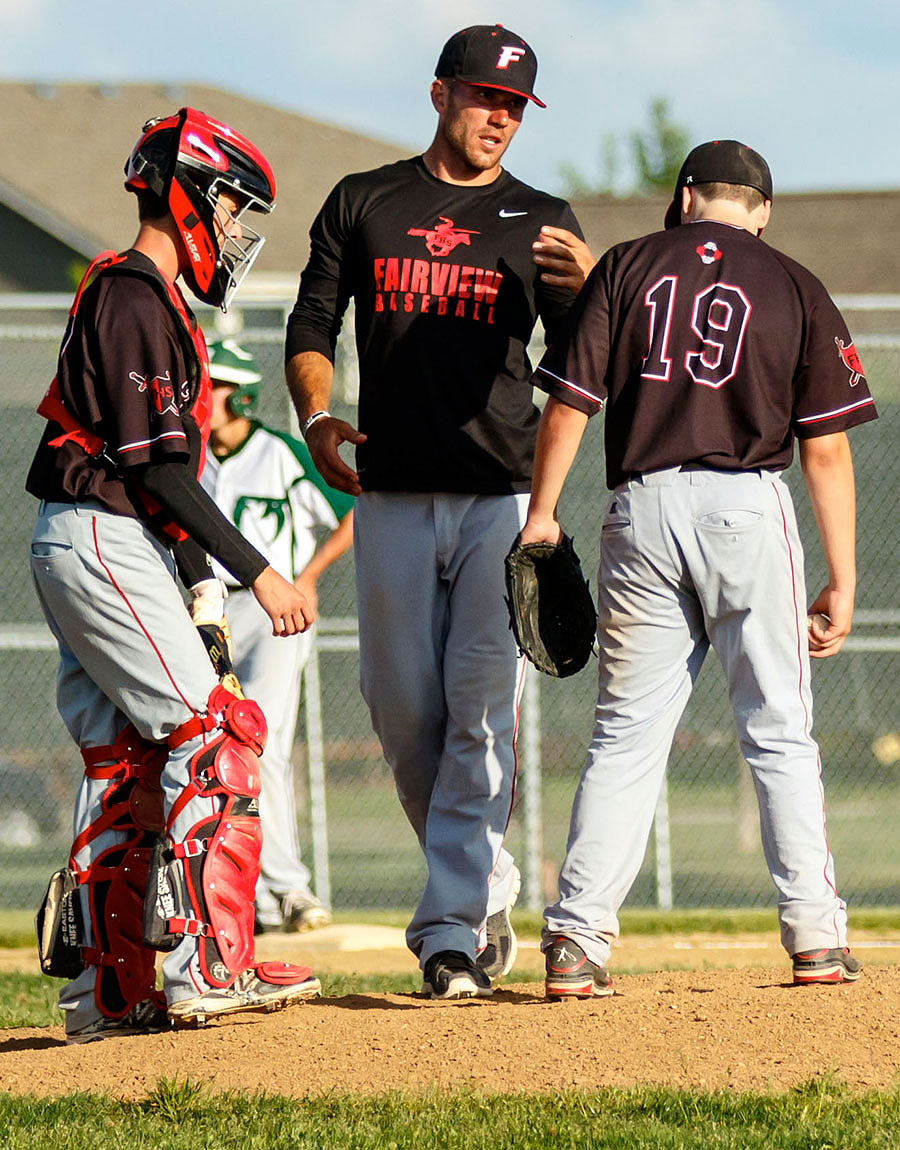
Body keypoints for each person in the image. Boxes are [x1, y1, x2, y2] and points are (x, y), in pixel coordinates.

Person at [518, 139, 878, 997]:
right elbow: (824, 451)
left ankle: (575, 943)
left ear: (684, 198)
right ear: (759, 210)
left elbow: (570, 403)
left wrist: (541, 515)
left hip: (638, 508)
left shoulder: (629, 265)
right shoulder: (794, 281)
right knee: (778, 728)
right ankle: (817, 940)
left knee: (625, 735)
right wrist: (844, 575)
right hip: (746, 505)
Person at [285, 24, 595, 998]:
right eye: (482, 97)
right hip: (389, 494)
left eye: (513, 105)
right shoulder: (366, 202)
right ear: (439, 95)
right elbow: (311, 321)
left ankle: (449, 931)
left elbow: (579, 365)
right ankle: (485, 877)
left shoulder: (539, 218)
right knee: (398, 704)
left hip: (500, 498)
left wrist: (590, 296)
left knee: (479, 717)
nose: (497, 117)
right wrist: (319, 413)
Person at [27, 107, 322, 1043]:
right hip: (100, 532)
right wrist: (257, 571)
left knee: (129, 762)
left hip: (104, 536)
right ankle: (210, 965)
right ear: (187, 192)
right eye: (231, 207)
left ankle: (110, 996)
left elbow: (159, 480)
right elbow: (152, 468)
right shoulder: (132, 295)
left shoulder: (146, 301)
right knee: (219, 737)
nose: (234, 231)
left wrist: (198, 586)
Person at [201, 335, 354, 934]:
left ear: (240, 396)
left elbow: (356, 510)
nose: (202, 396)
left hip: (275, 615)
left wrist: (309, 577)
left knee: (261, 743)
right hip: (209, 613)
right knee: (213, 751)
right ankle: (252, 897)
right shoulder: (190, 458)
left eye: (213, 387)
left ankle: (286, 888)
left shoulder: (282, 452)